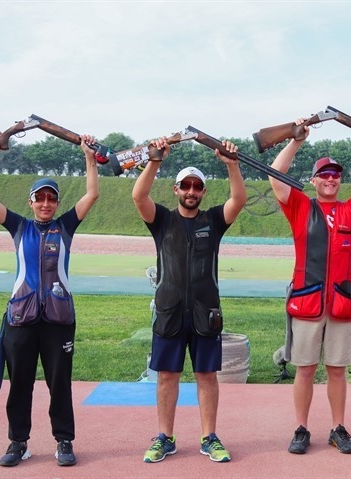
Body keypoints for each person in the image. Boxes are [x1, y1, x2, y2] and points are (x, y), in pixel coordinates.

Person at [268, 118, 351, 455]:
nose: (330, 178)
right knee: (305, 370)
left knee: (337, 371)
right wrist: (295, 141)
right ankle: (301, 428)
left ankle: (338, 428)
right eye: (324, 174)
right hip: (308, 303)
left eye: (335, 174)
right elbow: (274, 175)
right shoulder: (299, 206)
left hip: (340, 303)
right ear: (313, 180)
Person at [0, 134, 100, 467]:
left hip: (58, 321)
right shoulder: (19, 227)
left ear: (56, 203)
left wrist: (88, 156)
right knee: (20, 384)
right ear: (30, 201)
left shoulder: (66, 227)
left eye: (51, 198)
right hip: (21, 318)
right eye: (40, 198)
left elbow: (92, 193)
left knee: (59, 383)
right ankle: (18, 442)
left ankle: (64, 441)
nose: (46, 203)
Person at [132, 137, 246, 464]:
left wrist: (231, 164)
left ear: (203, 192)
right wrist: (154, 160)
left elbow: (238, 198)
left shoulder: (213, 221)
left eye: (197, 186)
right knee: (167, 375)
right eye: (186, 185)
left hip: (205, 313)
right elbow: (138, 195)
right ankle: (164, 437)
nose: (191, 191)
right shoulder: (162, 221)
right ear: (176, 189)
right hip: (169, 312)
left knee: (206, 376)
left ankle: (209, 437)